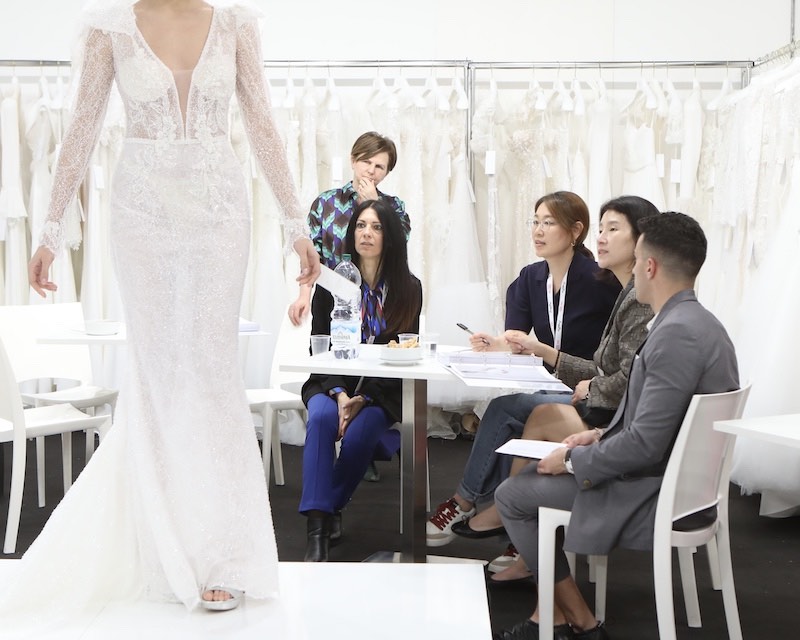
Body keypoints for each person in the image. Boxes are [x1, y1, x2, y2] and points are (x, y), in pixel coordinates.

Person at [5, 0, 320, 621]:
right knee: (155, 371)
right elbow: (83, 128)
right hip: (143, 209)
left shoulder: (234, 25)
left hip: (218, 207)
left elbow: (260, 121)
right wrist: (49, 229)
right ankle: (160, 540)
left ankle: (223, 553)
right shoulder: (110, 29)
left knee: (208, 369)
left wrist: (295, 224)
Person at [492, 212, 739, 640]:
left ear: (650, 266)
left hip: (656, 491)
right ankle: (569, 619)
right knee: (530, 478)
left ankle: (577, 622)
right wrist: (598, 435)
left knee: (513, 495)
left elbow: (645, 445)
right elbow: (660, 423)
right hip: (677, 481)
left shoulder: (675, 334)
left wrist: (572, 459)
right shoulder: (702, 324)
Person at [427, 191, 620, 547]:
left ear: (575, 231)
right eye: (535, 221)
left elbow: (609, 362)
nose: (538, 230)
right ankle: (514, 527)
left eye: (549, 222)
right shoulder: (531, 278)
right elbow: (518, 339)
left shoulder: (600, 282)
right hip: (548, 386)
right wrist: (496, 344)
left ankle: (465, 502)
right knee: (507, 415)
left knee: (503, 410)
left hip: (588, 391)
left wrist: (543, 351)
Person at [488, 195, 658, 583]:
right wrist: (546, 353)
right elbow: (605, 368)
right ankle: (513, 527)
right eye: (600, 229)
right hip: (610, 414)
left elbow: (629, 380)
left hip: (618, 433)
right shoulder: (623, 289)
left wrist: (592, 388)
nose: (600, 238)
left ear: (642, 241)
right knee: (528, 413)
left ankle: (507, 517)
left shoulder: (635, 298)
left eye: (612, 229)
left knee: (529, 414)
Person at [299, 199, 422, 562]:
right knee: (321, 418)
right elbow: (319, 346)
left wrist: (363, 399)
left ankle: (327, 504)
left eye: (377, 227)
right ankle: (318, 529)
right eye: (361, 226)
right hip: (332, 381)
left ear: (391, 237)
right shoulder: (332, 283)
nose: (367, 233)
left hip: (381, 390)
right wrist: (339, 394)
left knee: (361, 434)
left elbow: (404, 348)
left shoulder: (408, 288)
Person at [288, 130, 411, 326]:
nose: (371, 170)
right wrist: (304, 295)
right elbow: (313, 253)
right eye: (366, 162)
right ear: (353, 161)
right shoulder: (326, 203)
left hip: (379, 298)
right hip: (331, 297)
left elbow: (399, 244)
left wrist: (375, 204)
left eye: (379, 166)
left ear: (387, 173)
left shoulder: (394, 206)